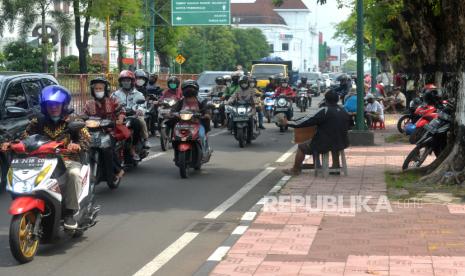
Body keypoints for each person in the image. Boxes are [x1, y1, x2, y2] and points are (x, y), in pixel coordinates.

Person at [1, 85, 91, 229]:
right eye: (50, 105)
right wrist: (11, 143)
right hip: (40, 160)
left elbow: (86, 139)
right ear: (45, 106)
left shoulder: (73, 119)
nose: (53, 108)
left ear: (63, 105)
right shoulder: (38, 121)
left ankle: (69, 213)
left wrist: (77, 145)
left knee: (73, 174)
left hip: (67, 160)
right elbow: (25, 137)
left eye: (56, 104)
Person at [283, 91, 350, 176]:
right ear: (337, 100)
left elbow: (306, 120)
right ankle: (335, 167)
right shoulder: (343, 110)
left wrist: (288, 123)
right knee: (334, 143)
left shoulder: (324, 110)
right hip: (342, 143)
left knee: (302, 146)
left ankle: (295, 170)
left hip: (324, 144)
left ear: (325, 100)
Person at [83, 77, 126, 183]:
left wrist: (120, 118)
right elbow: (84, 115)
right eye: (96, 89)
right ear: (93, 90)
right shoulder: (89, 104)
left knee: (107, 149)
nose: (98, 91)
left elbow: (121, 110)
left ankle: (117, 170)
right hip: (92, 132)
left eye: (100, 88)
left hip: (109, 132)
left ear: (105, 89)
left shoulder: (112, 101)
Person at [111, 70, 151, 153]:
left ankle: (144, 140)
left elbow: (143, 105)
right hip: (119, 116)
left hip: (134, 115)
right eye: (124, 81)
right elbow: (110, 104)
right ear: (120, 82)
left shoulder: (138, 94)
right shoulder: (115, 94)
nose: (126, 83)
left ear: (132, 82)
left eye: (128, 81)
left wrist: (140, 110)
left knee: (140, 121)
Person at [170, 80, 212, 155]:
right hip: (182, 123)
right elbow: (174, 108)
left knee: (202, 134)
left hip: (197, 122)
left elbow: (206, 108)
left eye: (192, 88)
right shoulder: (181, 100)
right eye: (187, 88)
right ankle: (175, 149)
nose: (189, 91)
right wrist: (172, 113)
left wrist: (206, 114)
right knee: (174, 131)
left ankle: (205, 149)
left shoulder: (201, 100)